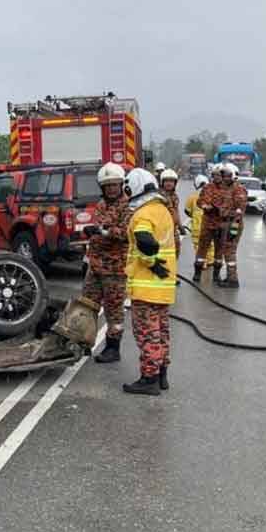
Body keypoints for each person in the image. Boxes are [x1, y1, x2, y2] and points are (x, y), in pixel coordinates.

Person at [122, 168, 176, 395]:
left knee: (147, 333)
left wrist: (150, 261)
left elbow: (145, 240)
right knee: (162, 331)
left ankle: (149, 379)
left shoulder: (142, 214)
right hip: (164, 286)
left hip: (146, 286)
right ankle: (162, 374)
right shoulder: (162, 209)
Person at [82, 162, 131, 363]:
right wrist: (91, 235)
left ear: (121, 185)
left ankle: (113, 348)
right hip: (95, 266)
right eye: (107, 186)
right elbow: (97, 227)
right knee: (88, 305)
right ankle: (84, 342)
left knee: (114, 310)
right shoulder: (101, 205)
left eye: (115, 185)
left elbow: (127, 233)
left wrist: (104, 231)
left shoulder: (128, 206)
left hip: (115, 269)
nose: (111, 189)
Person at [159, 168, 183, 284]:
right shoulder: (159, 197)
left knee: (176, 251)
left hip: (173, 230)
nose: (169, 183)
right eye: (166, 181)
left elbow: (176, 212)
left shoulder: (175, 196)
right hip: (162, 231)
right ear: (162, 182)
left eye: (171, 181)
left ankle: (171, 274)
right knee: (164, 253)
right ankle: (164, 275)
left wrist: (181, 226)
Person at [184, 174, 214, 268]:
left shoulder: (192, 196)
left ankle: (202, 262)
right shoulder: (213, 195)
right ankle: (210, 261)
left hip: (197, 227)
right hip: (210, 225)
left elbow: (187, 211)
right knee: (210, 244)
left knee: (198, 246)